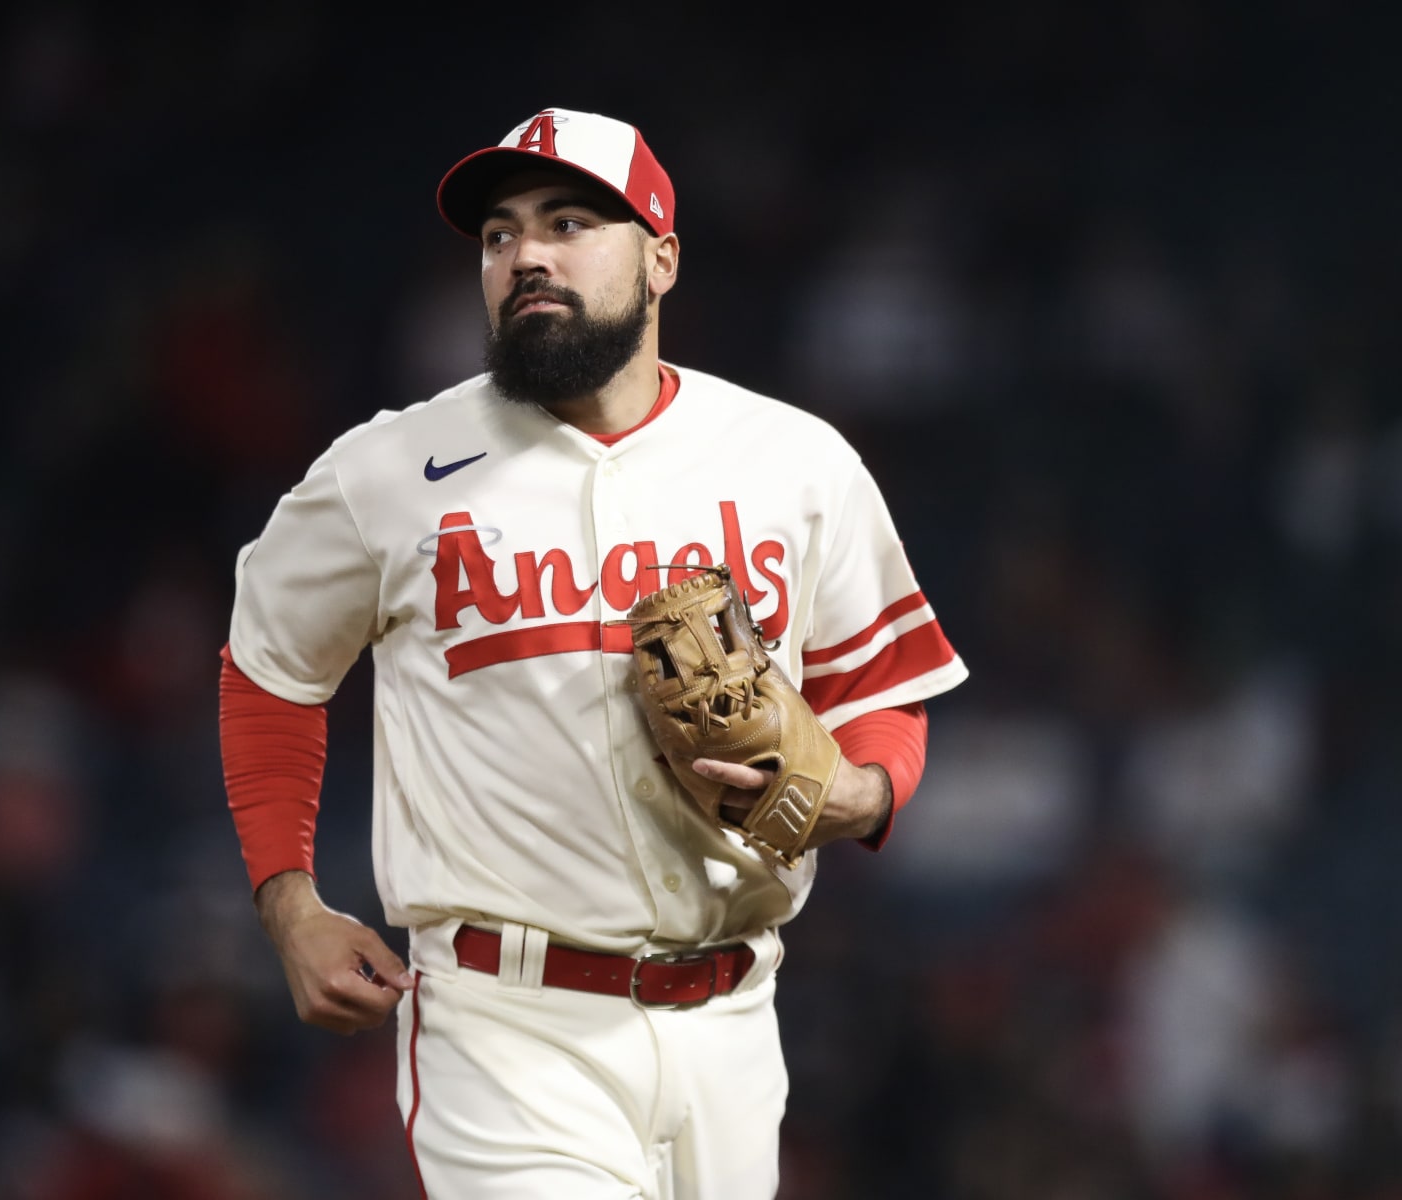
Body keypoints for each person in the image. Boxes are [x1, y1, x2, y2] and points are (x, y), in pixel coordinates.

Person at [217, 106, 968, 1198]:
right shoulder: (388, 471)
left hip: (735, 1023)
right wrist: (289, 900)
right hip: (509, 1025)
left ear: (661, 257)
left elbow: (880, 695)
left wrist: (861, 795)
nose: (526, 254)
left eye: (569, 223)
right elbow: (269, 669)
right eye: (499, 236)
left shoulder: (794, 462)